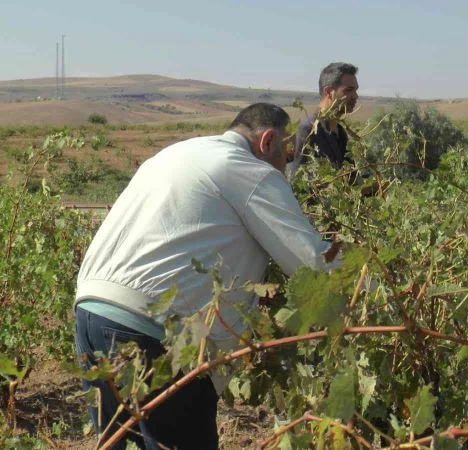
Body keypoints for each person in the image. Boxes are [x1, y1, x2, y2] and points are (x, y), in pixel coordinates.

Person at [74, 103, 340, 450]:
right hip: (156, 334)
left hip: (91, 314)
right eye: (286, 150)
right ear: (267, 141)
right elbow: (312, 263)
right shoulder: (251, 172)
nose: (288, 160)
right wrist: (372, 277)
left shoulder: (177, 152)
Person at [286, 62, 359, 179]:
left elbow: (351, 180)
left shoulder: (341, 133)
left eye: (355, 90)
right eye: (348, 90)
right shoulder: (308, 130)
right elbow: (297, 182)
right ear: (328, 92)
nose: (355, 96)